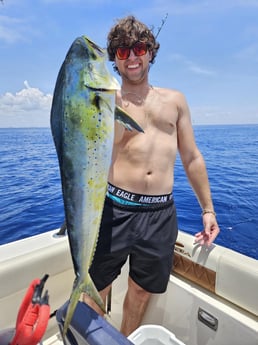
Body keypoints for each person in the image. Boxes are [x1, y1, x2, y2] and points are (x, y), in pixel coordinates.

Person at [84, 15, 220, 337]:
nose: (132, 56)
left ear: (150, 52)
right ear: (114, 59)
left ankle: (124, 340)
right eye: (122, 51)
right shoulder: (105, 101)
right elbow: (86, 150)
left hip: (160, 214)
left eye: (139, 48)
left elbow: (191, 157)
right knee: (95, 289)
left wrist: (208, 209)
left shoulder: (175, 101)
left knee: (141, 291)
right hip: (114, 210)